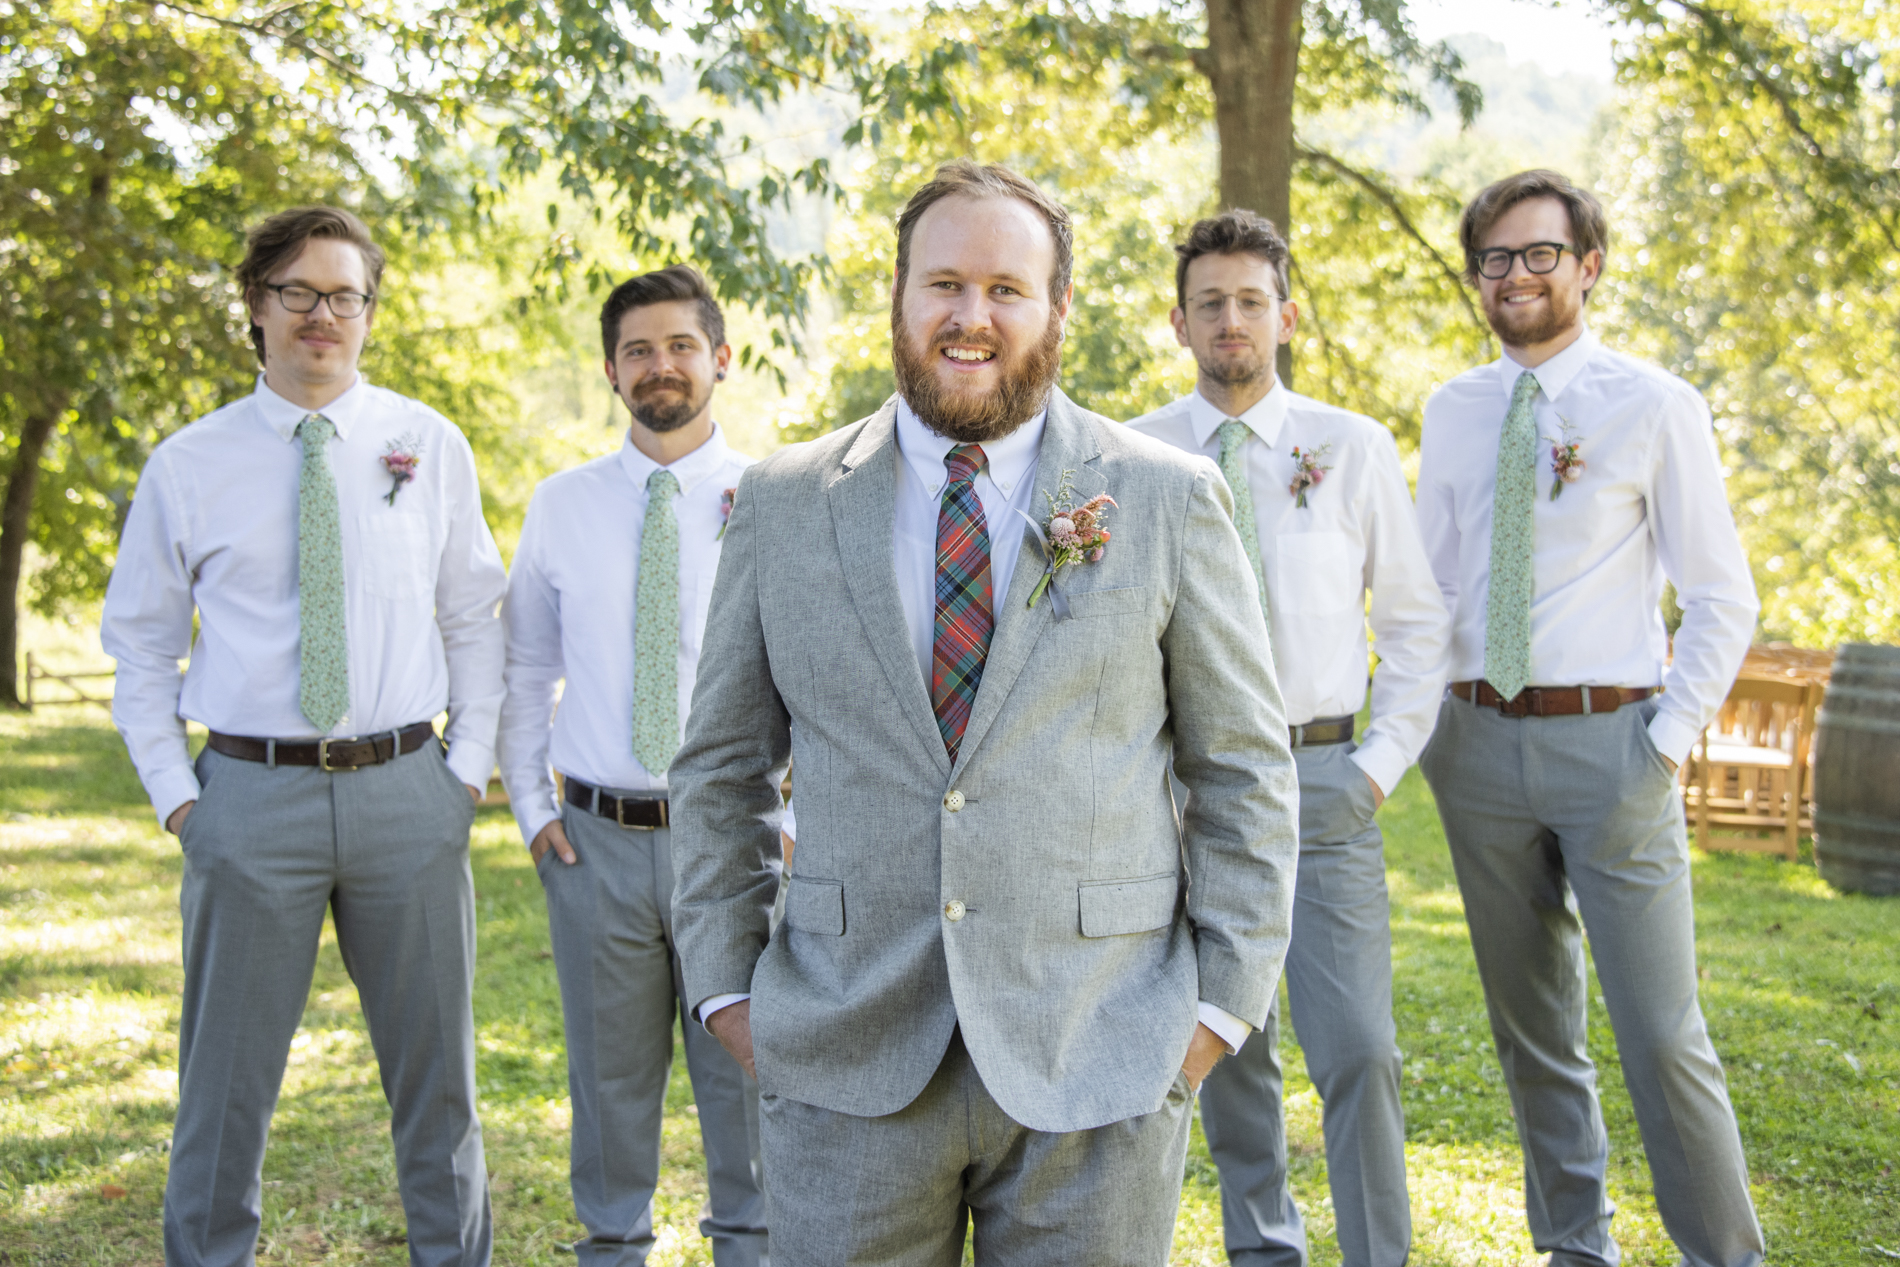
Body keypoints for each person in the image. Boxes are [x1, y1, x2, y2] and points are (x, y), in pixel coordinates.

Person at [667, 159, 1301, 1266]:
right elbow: (720, 768)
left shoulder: (1160, 496)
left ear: (1059, 308)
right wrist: (729, 991)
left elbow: (1242, 765)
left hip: (1100, 1051)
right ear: (900, 297)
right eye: (944, 284)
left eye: (1007, 289)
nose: (971, 316)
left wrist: (1213, 1019)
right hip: (844, 1052)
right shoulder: (779, 504)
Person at [100, 206, 504, 1267]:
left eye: (345, 294)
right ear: (257, 305)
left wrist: (462, 771)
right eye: (298, 292)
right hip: (248, 801)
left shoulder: (428, 445)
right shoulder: (188, 464)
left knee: (439, 1087)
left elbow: (473, 616)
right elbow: (139, 646)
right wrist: (179, 798)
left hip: (407, 794)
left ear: (370, 311)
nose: (323, 315)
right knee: (222, 1087)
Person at [1416, 169, 1764, 1267]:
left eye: (1539, 254)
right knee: (1532, 1037)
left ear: (1588, 265)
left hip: (1612, 746)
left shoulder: (1654, 405)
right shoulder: (1451, 408)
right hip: (1473, 748)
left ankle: (1724, 1254)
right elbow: (1428, 588)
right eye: (1495, 259)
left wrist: (1661, 745)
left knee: (1663, 1037)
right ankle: (1575, 1246)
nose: (1515, 275)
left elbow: (1722, 596)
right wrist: (1424, 728)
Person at [1129, 208, 1451, 1267]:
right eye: (1209, 303)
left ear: (1286, 316)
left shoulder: (1349, 447)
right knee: (1229, 1043)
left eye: (1250, 301)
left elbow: (1413, 627)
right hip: (1185, 788)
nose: (1231, 321)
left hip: (1323, 778)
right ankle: (1263, 1249)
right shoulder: (1131, 456)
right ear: (1179, 324)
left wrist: (1371, 773)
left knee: (1358, 1048)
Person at [497, 265, 767, 1266]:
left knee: (746, 1074)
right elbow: (526, 661)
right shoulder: (561, 505)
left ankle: (753, 1244)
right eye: (640, 349)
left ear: (720, 358)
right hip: (597, 840)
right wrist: (529, 803)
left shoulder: (774, 497)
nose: (662, 365)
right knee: (609, 1078)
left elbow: (822, 677)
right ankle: (612, 1246)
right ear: (612, 369)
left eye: (681, 345)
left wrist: (798, 822)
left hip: (734, 840)